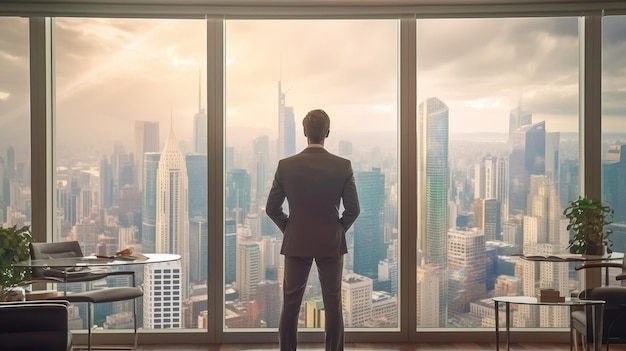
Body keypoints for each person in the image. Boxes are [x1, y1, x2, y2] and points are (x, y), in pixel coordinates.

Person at [266, 109, 360, 351]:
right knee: (333, 302)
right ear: (327, 133)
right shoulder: (343, 166)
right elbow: (353, 210)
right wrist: (337, 229)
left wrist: (291, 228)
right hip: (330, 242)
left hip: (297, 241)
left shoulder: (286, 166)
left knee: (290, 304)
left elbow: (271, 208)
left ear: (304, 132)